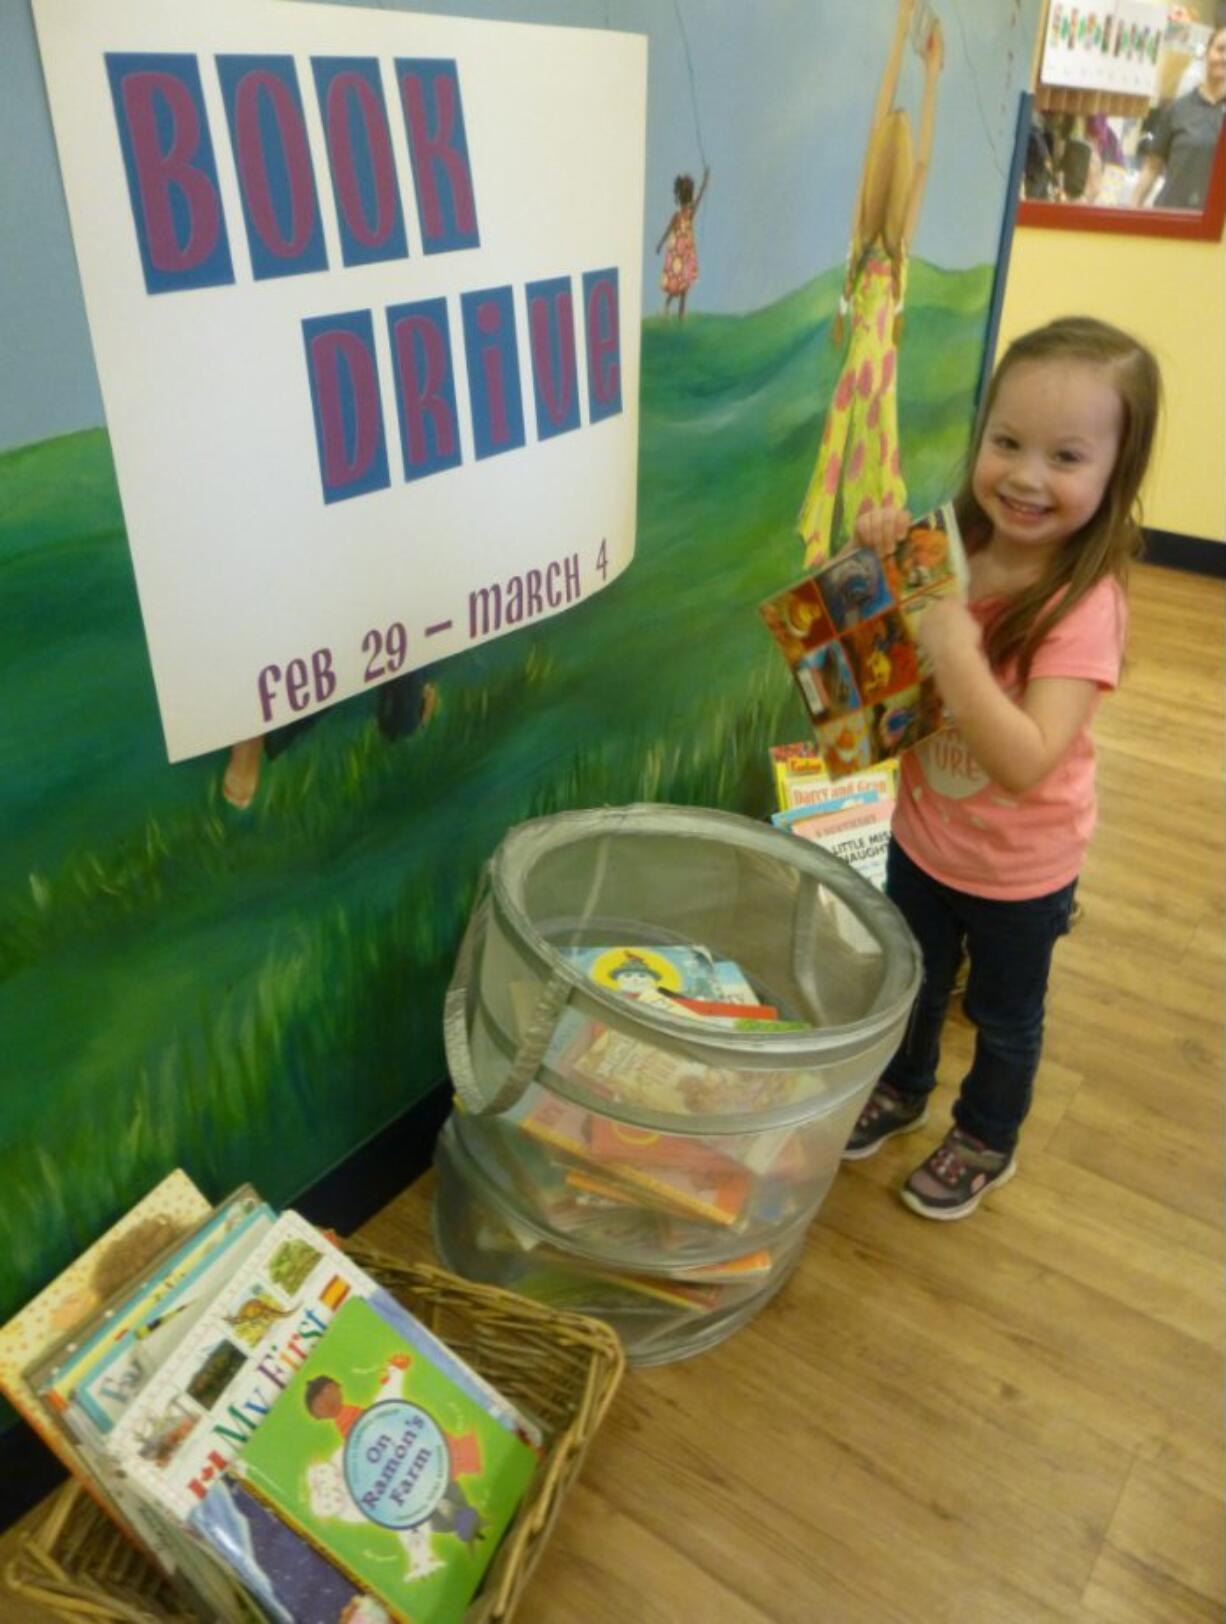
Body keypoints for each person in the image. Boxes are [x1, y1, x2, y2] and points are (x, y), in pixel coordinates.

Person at [841, 316, 1161, 1221]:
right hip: (923, 836)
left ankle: (987, 1135)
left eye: (1065, 456)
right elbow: (882, 684)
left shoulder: (1085, 606)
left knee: (1006, 1019)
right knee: (911, 983)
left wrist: (952, 639)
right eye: (1006, 442)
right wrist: (880, 571)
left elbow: (1024, 761)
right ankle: (903, 1088)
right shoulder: (950, 553)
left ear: (1114, 476)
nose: (1024, 475)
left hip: (1023, 870)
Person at [797, 0, 943, 569]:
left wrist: (903, 32)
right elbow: (924, 160)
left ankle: (821, 536)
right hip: (876, 371)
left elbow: (881, 122)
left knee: (843, 441)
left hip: (862, 367)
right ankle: (853, 533)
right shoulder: (887, 247)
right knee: (874, 448)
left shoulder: (864, 241)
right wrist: (929, 75)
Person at [1132, 24, 1226, 211]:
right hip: (1173, 220)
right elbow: (1152, 166)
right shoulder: (1179, 109)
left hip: (1217, 231)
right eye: (1220, 49)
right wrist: (1133, 208)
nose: (1224, 58)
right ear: (1207, 53)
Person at [655, 165, 710, 320]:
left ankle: (681, 316)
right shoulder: (679, 216)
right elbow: (668, 231)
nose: (690, 202)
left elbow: (699, 197)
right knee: (677, 288)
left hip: (685, 254)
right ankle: (667, 304)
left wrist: (705, 182)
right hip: (678, 256)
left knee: (684, 288)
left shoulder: (689, 213)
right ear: (687, 198)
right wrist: (660, 244)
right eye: (689, 198)